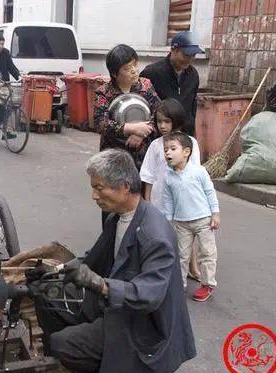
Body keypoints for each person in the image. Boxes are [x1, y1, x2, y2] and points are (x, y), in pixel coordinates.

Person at [34, 149, 196, 373]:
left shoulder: (154, 235)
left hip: (144, 324)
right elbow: (95, 257)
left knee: (61, 344)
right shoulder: (118, 218)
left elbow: (148, 296)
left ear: (124, 186)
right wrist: (58, 269)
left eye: (100, 188)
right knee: (46, 294)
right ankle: (85, 354)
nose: (94, 195)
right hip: (116, 304)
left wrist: (99, 284)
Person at [93, 44, 161, 226]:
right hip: (113, 158)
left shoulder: (146, 87)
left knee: (137, 201)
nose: (133, 71)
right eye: (127, 68)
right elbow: (99, 122)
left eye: (135, 65)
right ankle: (109, 246)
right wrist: (128, 128)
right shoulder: (104, 93)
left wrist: (143, 132)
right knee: (111, 201)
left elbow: (159, 115)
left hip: (141, 157)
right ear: (115, 73)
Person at [140, 99, 203, 283]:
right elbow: (148, 175)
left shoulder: (190, 143)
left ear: (177, 120)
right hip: (160, 199)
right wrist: (147, 201)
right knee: (161, 234)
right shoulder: (155, 146)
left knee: (186, 234)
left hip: (184, 198)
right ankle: (162, 268)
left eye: (167, 121)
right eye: (159, 121)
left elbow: (194, 172)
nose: (162, 126)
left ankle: (192, 266)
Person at [163, 132, 220, 302]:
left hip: (204, 220)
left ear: (186, 152)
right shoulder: (168, 177)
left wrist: (215, 213)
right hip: (181, 223)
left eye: (173, 149)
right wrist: (168, 221)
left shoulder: (199, 171)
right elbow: (168, 201)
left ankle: (207, 284)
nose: (168, 153)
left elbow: (210, 192)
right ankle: (179, 285)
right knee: (181, 255)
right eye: (165, 150)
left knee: (207, 253)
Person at [140, 32, 204, 136]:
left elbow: (192, 108)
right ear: (173, 50)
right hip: (157, 136)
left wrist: (192, 135)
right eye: (186, 55)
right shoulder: (152, 73)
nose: (190, 59)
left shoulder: (193, 75)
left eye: (193, 55)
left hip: (182, 137)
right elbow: (141, 105)